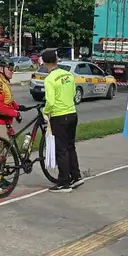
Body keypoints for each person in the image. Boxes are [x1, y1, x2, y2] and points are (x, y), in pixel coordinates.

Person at [41, 49, 83, 192]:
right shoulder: (68, 74)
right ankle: (76, 176)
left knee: (61, 149)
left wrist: (45, 111)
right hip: (72, 113)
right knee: (71, 146)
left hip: (59, 116)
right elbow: (73, 93)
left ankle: (64, 182)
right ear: (56, 60)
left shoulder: (49, 79)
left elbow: (50, 102)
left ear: (44, 63)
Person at [0, 56, 23, 192]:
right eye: (10, 68)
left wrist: (18, 107)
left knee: (3, 153)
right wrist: (15, 114)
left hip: (4, 123)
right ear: (1, 69)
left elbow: (8, 100)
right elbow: (0, 108)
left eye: (13, 68)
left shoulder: (3, 82)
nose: (12, 71)